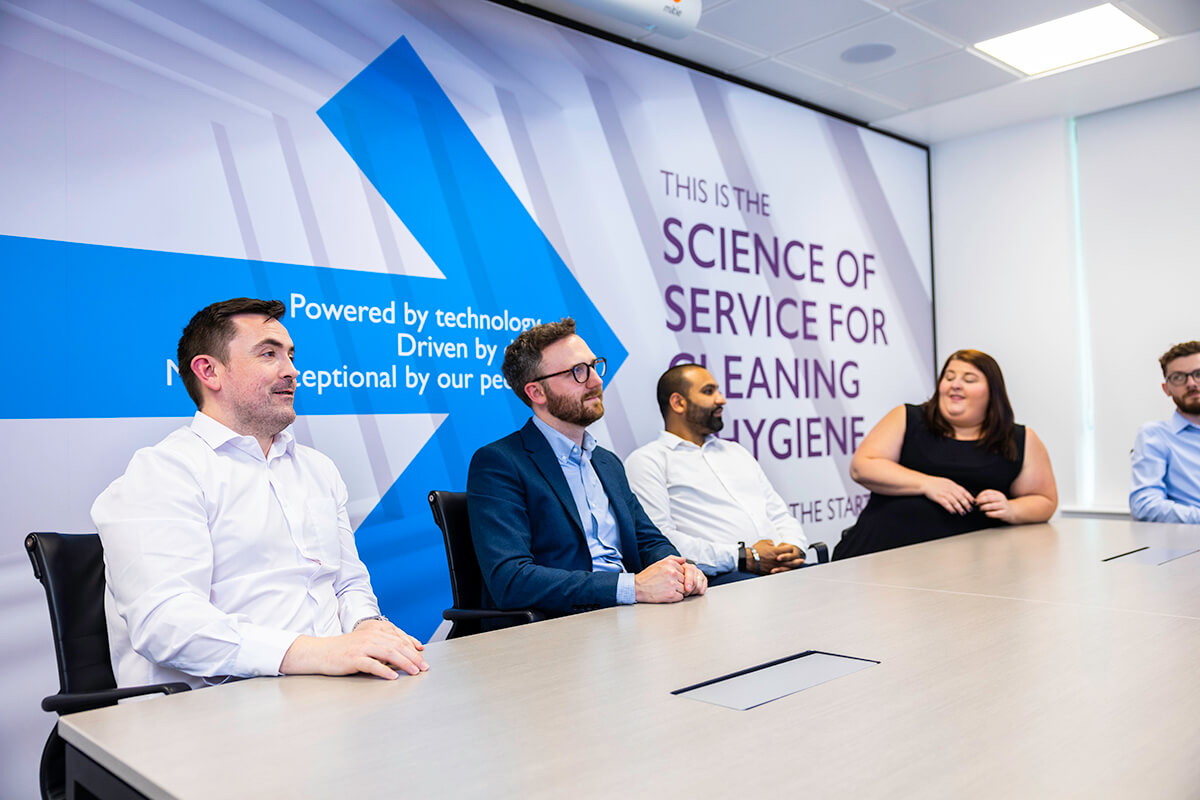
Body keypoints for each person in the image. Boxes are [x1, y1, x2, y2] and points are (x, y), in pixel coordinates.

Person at [92, 298, 428, 689]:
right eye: (269, 354)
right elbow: (166, 624)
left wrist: (368, 629)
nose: (291, 370)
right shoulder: (163, 473)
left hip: (330, 691)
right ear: (209, 371)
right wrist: (320, 653)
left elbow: (348, 583)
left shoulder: (318, 470)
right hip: (209, 715)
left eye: (290, 355)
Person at [466, 319, 706, 617]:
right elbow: (511, 580)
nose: (595, 381)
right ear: (536, 393)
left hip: (631, 616)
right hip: (561, 627)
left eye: (594, 366)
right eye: (577, 372)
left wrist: (682, 570)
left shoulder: (607, 462)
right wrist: (633, 587)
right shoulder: (500, 463)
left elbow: (649, 541)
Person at [834, 349, 1057, 559]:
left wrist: (1011, 509)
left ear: (992, 392)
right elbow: (862, 466)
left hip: (971, 564)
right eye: (949, 377)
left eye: (969, 379)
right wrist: (927, 484)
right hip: (882, 552)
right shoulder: (907, 418)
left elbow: (1045, 500)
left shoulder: (1019, 439)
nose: (956, 385)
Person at [626, 363, 807, 583]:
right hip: (722, 578)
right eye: (709, 391)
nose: (721, 400)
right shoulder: (648, 460)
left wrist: (793, 549)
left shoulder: (736, 451)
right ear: (678, 403)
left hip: (781, 571)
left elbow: (778, 514)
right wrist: (743, 557)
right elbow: (660, 540)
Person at [1130, 341, 1200, 523]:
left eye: (1199, 374)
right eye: (1178, 377)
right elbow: (1145, 504)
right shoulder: (1155, 435)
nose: (1191, 383)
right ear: (1166, 389)